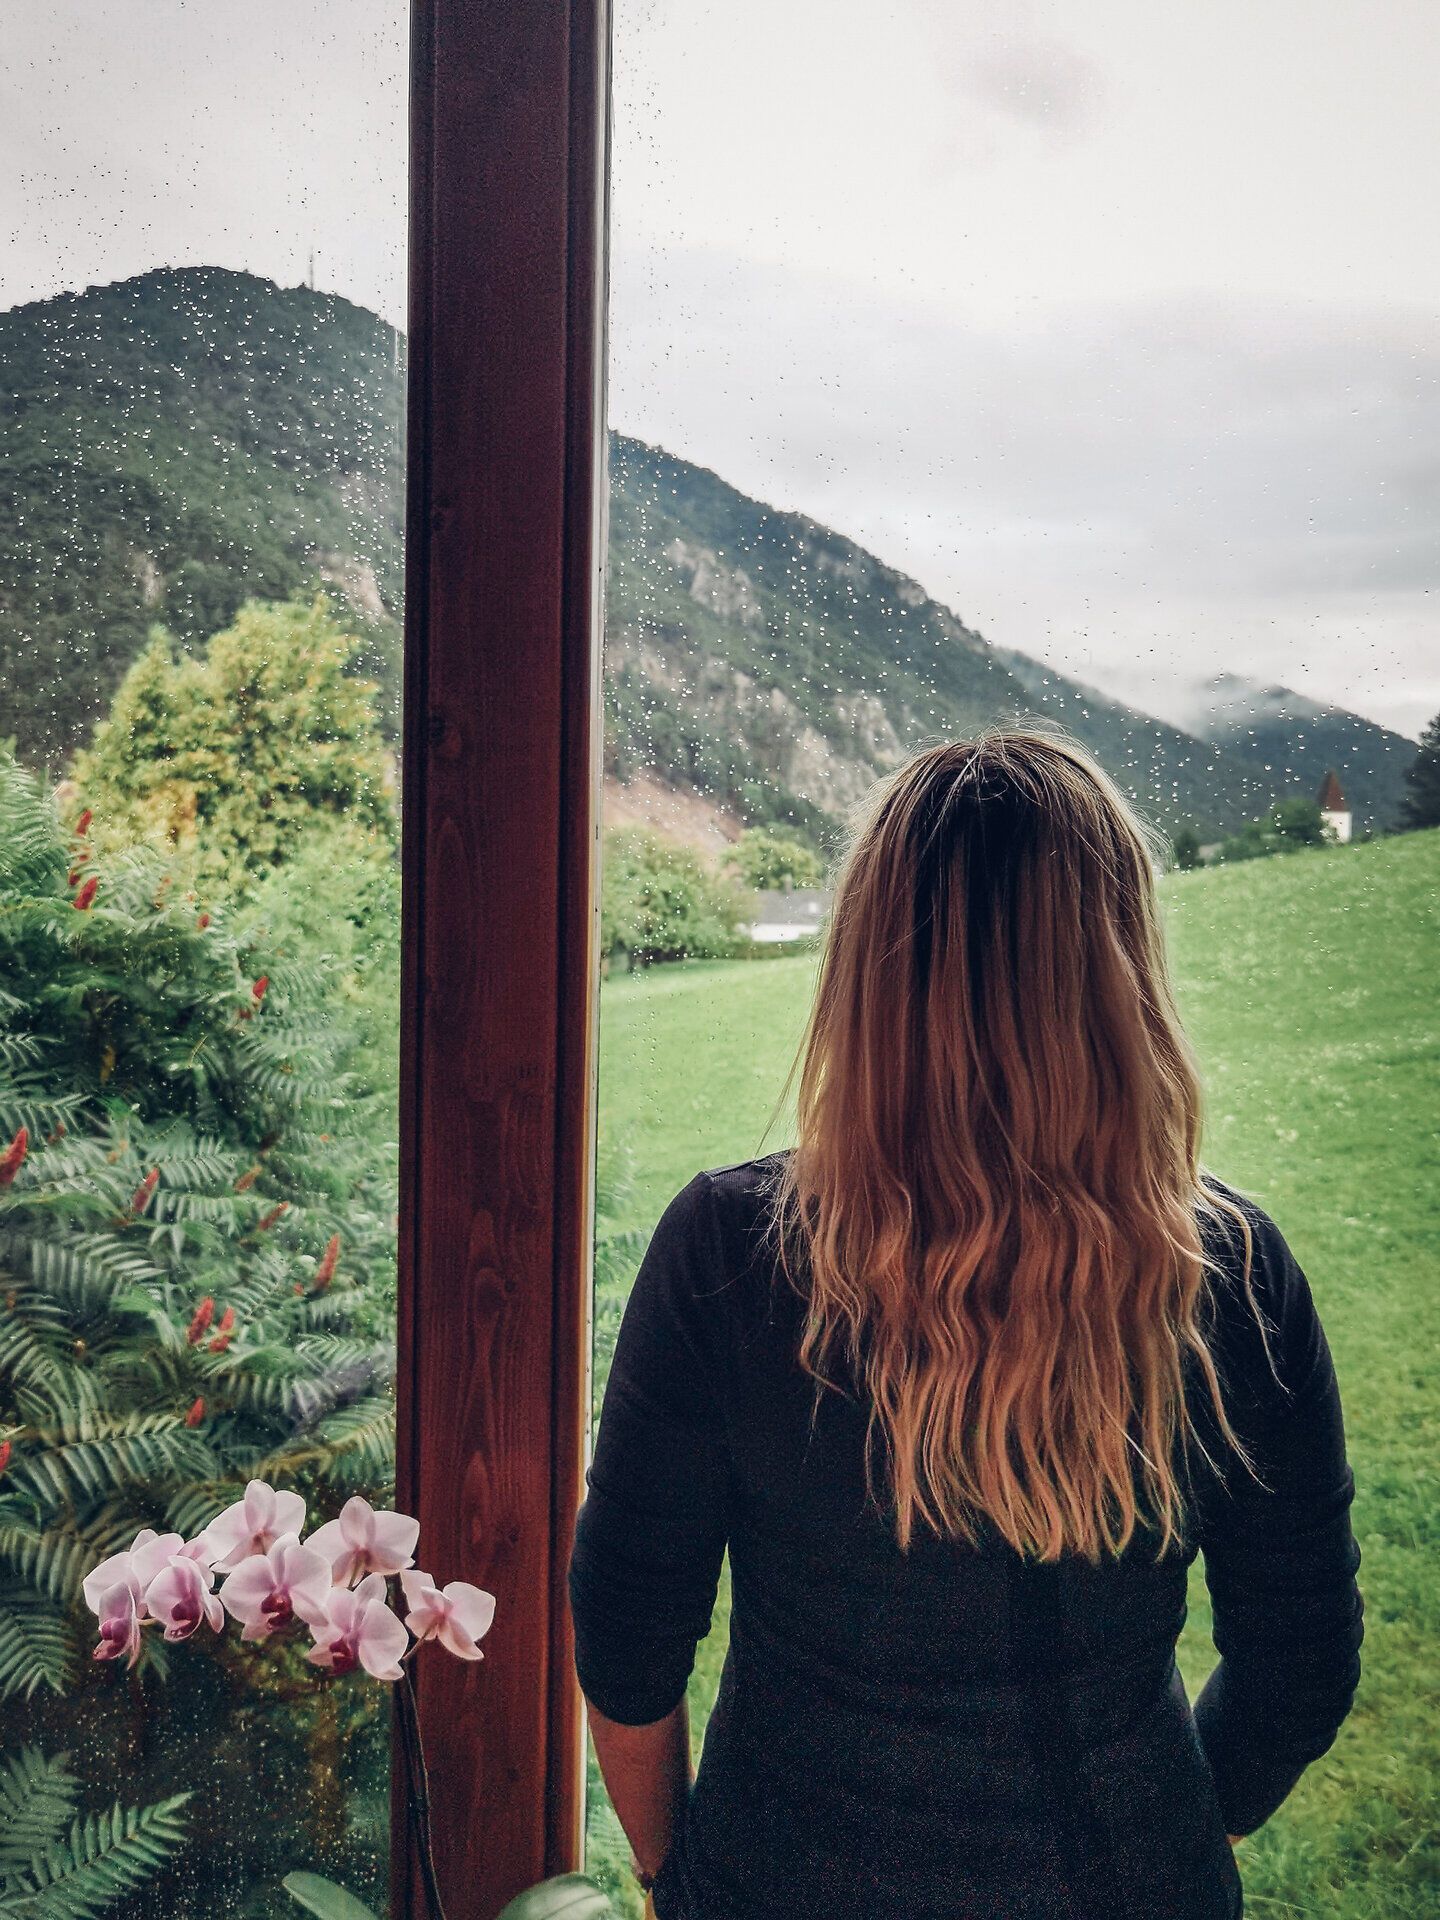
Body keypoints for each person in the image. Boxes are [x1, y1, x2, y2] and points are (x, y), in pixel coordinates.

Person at [569, 732, 1363, 1919]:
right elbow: (1300, 1661)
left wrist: (667, 1870)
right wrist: (1177, 1834)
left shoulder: (731, 1251)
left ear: (863, 973)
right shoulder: (1231, 1275)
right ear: (1121, 975)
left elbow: (627, 1635)